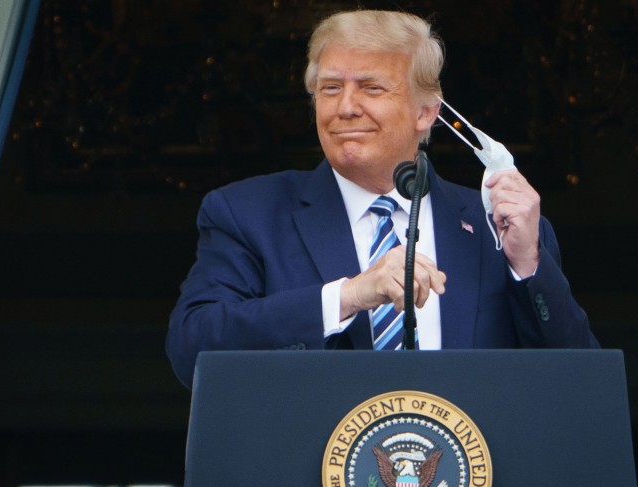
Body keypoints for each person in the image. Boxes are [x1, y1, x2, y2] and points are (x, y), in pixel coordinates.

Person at [166, 10, 599, 389]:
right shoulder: (247, 213)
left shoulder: (498, 226)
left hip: (472, 478)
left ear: (426, 112)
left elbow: (579, 385)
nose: (346, 107)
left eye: (372, 88)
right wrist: (349, 296)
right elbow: (194, 349)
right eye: (331, 88)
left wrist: (527, 265)